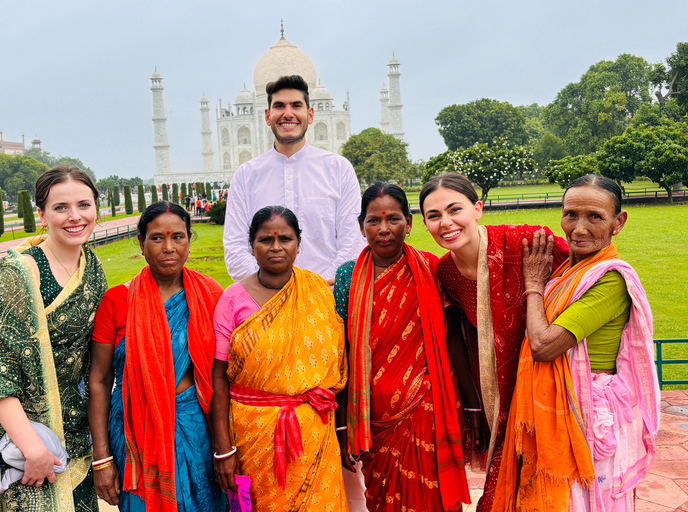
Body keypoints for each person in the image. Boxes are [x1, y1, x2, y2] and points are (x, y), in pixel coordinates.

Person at [493, 175, 660, 511]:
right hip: (560, 411)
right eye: (570, 214)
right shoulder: (569, 272)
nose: (579, 229)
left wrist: (534, 285)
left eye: (594, 217)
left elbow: (542, 345)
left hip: (586, 418)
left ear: (618, 222)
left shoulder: (610, 279)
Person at [0, 166, 107, 511]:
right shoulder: (22, 274)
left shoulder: (92, 267)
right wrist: (32, 448)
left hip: (72, 434)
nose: (75, 217)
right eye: (61, 208)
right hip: (20, 437)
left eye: (84, 205)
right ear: (42, 214)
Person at [419, 172, 569, 512]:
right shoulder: (448, 273)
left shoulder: (527, 242)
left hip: (552, 394)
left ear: (478, 209)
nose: (446, 223)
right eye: (434, 216)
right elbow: (464, 338)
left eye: (454, 209)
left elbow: (586, 275)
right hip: (503, 405)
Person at [333, 182, 470, 512]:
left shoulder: (433, 270)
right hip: (372, 420)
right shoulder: (347, 278)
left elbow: (452, 339)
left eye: (393, 219)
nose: (383, 230)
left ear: (409, 224)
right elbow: (340, 355)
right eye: (373, 221)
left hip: (428, 410)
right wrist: (341, 424)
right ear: (361, 225)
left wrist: (473, 405)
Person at [88, 201, 225, 512]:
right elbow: (98, 380)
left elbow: (223, 376)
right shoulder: (118, 301)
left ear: (190, 239)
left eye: (178, 237)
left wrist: (225, 446)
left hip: (197, 431)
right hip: (136, 432)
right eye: (157, 238)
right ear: (141, 242)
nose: (168, 248)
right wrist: (102, 459)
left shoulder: (210, 295)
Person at [210, 205, 349, 511]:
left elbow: (336, 364)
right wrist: (223, 450)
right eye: (265, 240)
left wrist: (343, 428)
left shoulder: (316, 291)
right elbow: (219, 379)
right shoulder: (232, 300)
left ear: (299, 244)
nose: (275, 247)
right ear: (251, 246)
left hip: (315, 432)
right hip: (253, 436)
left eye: (285, 239)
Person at [223, 74, 363, 284]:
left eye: (296, 106)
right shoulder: (246, 175)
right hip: (265, 304)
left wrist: (313, 290)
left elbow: (352, 244)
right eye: (280, 106)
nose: (288, 114)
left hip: (325, 299)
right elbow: (235, 249)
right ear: (268, 115)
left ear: (311, 114)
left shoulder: (338, 169)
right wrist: (270, 289)